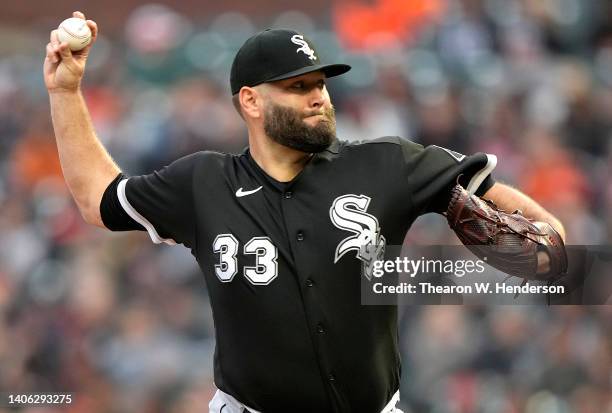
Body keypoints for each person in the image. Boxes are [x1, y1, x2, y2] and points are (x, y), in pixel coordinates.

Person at [44, 11, 566, 413]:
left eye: (320, 83)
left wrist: (547, 251)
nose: (318, 96)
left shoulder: (388, 163)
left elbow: (541, 236)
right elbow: (98, 199)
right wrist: (65, 92)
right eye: (297, 87)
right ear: (250, 101)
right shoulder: (204, 182)